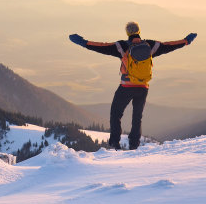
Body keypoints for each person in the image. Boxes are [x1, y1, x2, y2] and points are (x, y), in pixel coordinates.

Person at [69, 22, 197, 150]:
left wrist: (83, 42)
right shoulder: (150, 45)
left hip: (126, 86)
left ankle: (115, 143)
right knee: (137, 117)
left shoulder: (121, 46)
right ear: (139, 31)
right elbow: (168, 45)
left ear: (127, 32)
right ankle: (134, 145)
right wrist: (186, 41)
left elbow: (102, 47)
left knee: (116, 114)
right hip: (143, 87)